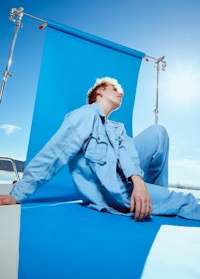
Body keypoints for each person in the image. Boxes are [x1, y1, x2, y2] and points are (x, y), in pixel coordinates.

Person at [0, 77, 200, 221]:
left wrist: (139, 182)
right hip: (113, 191)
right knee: (186, 200)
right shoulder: (85, 114)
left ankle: (152, 195)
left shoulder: (117, 128)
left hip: (130, 180)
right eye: (115, 89)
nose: (121, 92)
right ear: (100, 92)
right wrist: (18, 194)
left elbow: (128, 154)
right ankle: (157, 198)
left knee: (158, 132)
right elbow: (54, 154)